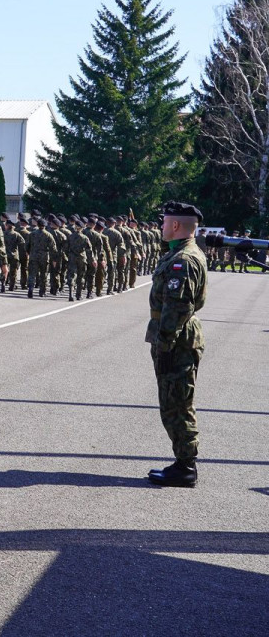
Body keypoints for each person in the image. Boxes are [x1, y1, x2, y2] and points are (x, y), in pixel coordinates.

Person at [146, 202, 208, 488]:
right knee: (173, 401)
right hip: (177, 338)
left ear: (174, 226)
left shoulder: (184, 259)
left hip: (177, 341)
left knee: (177, 404)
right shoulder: (179, 254)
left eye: (164, 222)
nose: (160, 227)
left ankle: (185, 467)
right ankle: (182, 462)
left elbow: (177, 306)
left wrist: (165, 343)